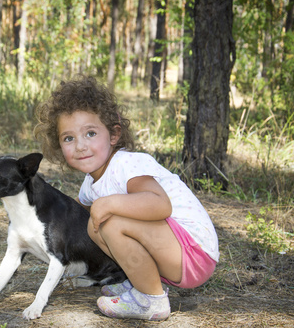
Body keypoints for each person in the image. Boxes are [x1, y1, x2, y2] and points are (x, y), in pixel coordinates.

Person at [34, 75, 219, 321]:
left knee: (109, 221)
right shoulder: (91, 183)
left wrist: (108, 203)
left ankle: (151, 300)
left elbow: (160, 205)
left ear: (113, 135)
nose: (80, 145)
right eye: (68, 138)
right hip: (173, 253)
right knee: (94, 225)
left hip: (193, 252)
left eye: (90, 133)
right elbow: (74, 218)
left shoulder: (127, 164)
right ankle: (141, 282)